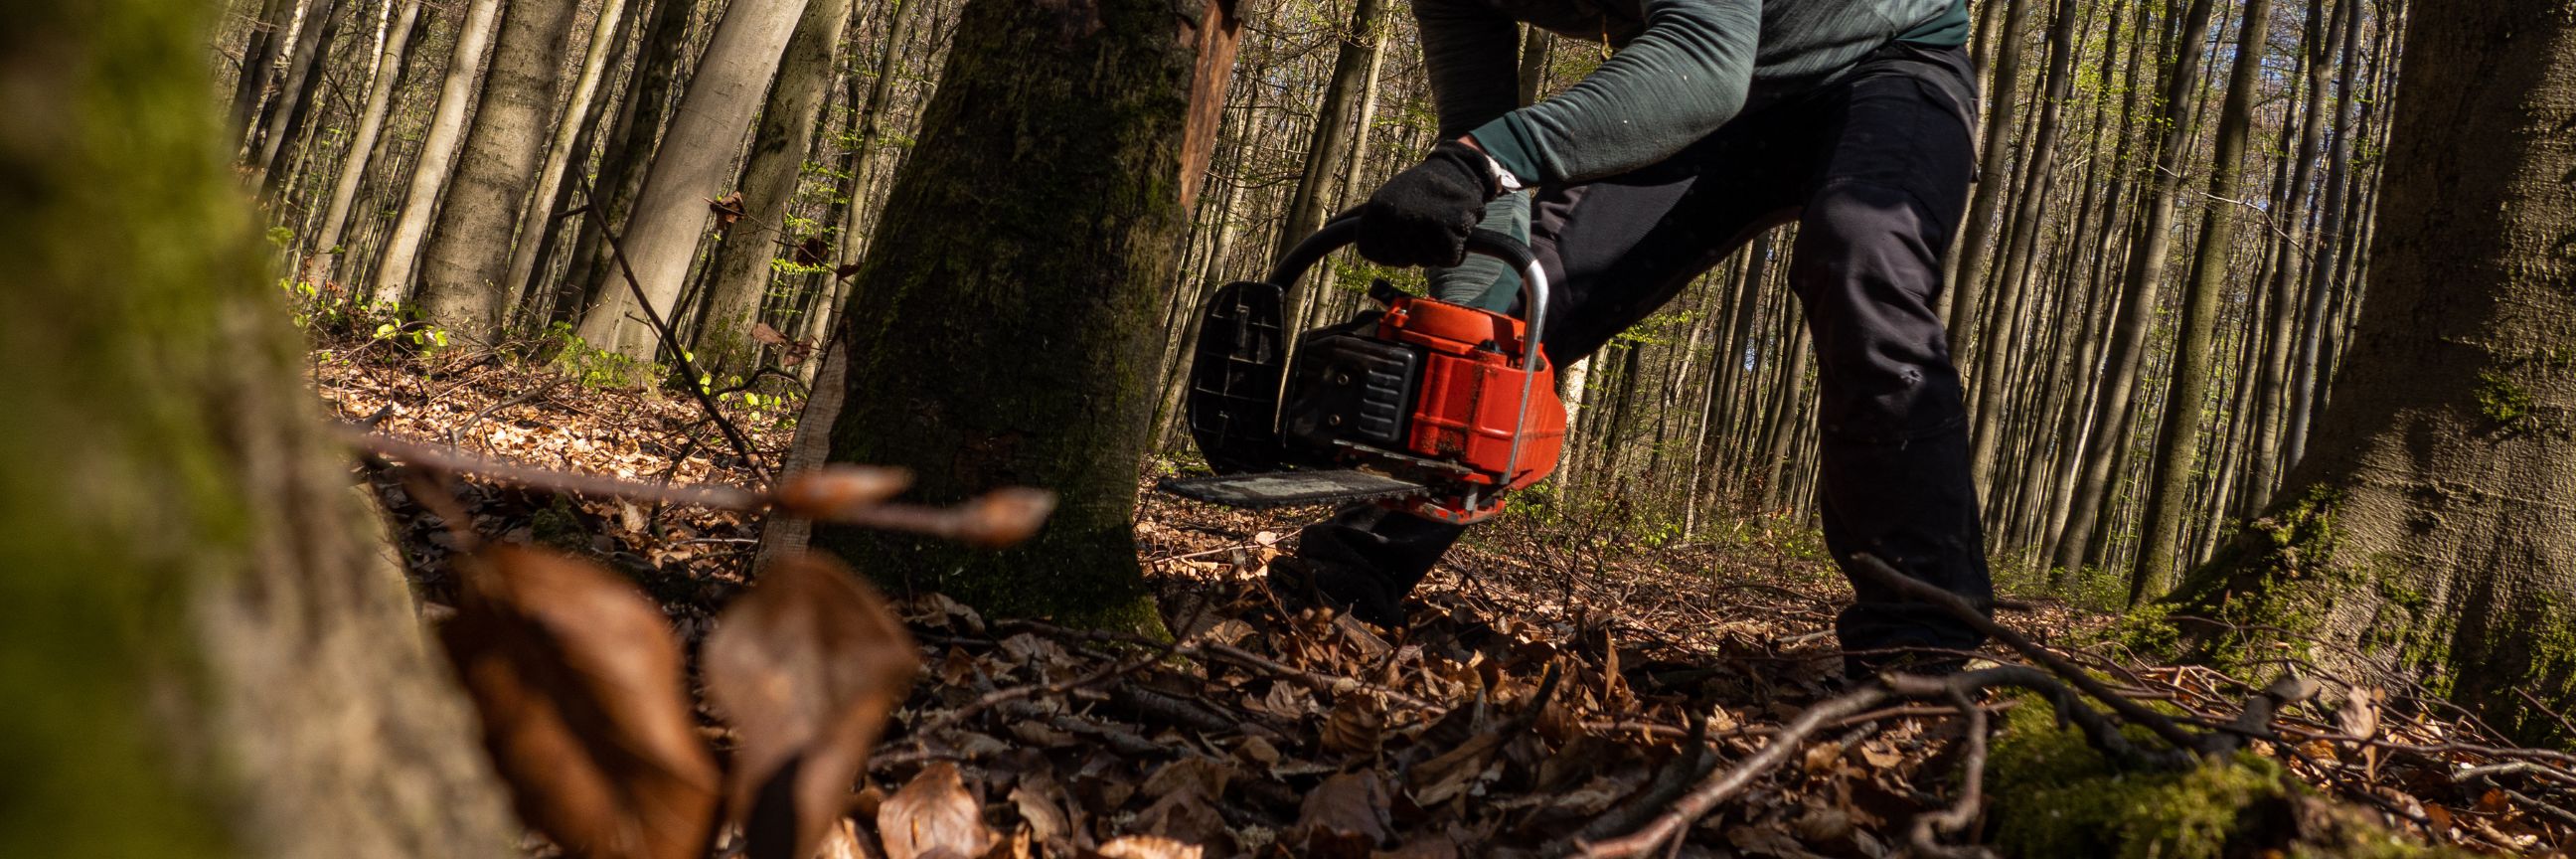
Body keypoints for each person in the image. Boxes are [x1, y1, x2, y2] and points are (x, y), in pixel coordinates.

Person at [1274, 0, 1996, 677]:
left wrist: (1482, 159)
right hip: (1722, 86)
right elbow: (1483, 148)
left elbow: (1703, 64)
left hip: (1888, 64)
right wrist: (1471, 313)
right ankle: (1352, 566)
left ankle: (1917, 645)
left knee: (1861, 254)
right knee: (1526, 294)